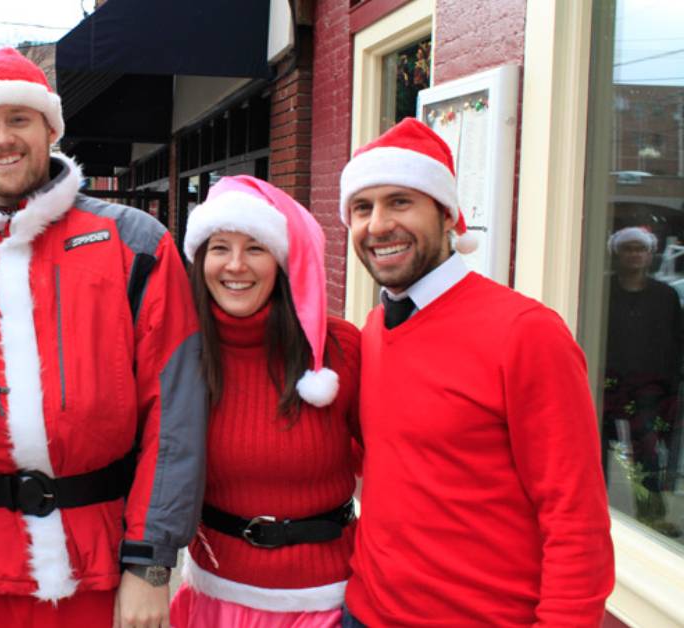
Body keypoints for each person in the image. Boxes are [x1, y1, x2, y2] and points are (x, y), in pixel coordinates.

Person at [0, 47, 206, 628]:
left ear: (50, 128)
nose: (2, 139)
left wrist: (151, 564)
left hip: (104, 567)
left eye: (19, 119)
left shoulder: (135, 243)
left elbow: (174, 413)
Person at [339, 117, 615, 626]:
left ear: (447, 215)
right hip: (364, 612)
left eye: (400, 201)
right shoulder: (375, 329)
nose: (377, 225)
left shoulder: (526, 333)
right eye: (362, 207)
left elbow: (575, 519)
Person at [170, 176, 361, 628]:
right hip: (213, 597)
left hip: (322, 603)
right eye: (219, 247)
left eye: (255, 248)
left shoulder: (339, 351)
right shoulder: (181, 353)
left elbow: (389, 465)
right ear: (199, 260)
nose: (236, 265)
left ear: (280, 261)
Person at [602, 226, 683, 536]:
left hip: (650, 387)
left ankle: (650, 516)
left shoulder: (665, 296)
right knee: (596, 452)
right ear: (617, 253)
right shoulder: (603, 291)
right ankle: (597, 514)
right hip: (606, 384)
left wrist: (671, 384)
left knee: (647, 454)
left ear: (650, 254)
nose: (634, 254)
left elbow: (675, 341)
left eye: (640, 249)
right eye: (628, 249)